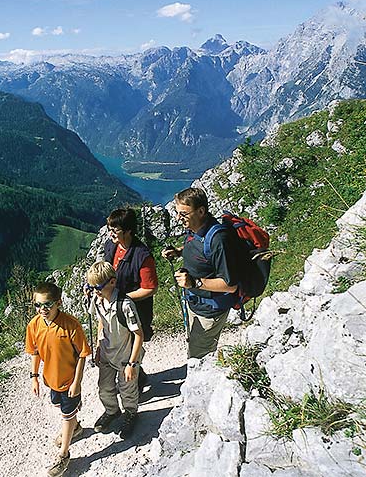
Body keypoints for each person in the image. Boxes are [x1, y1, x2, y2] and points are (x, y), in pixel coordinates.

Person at [161, 187, 249, 359]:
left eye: (184, 214)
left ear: (201, 211)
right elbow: (200, 250)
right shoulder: (196, 228)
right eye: (177, 213)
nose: (179, 218)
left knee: (198, 357)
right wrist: (179, 252)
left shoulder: (218, 240)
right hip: (195, 303)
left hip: (210, 310)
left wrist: (194, 283)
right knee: (195, 346)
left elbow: (230, 285)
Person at [25, 282, 91, 477]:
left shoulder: (71, 325)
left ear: (58, 303)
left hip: (69, 380)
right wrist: (34, 377)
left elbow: (82, 354)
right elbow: (35, 351)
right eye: (37, 305)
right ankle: (76, 428)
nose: (42, 310)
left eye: (47, 305)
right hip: (50, 379)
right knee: (61, 409)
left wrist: (77, 382)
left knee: (66, 414)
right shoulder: (34, 325)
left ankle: (64, 455)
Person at [86, 261, 144, 439]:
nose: (95, 290)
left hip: (126, 357)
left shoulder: (125, 305)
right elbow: (100, 323)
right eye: (91, 286)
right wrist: (97, 347)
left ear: (112, 282)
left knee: (127, 389)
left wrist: (132, 364)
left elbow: (139, 335)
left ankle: (130, 413)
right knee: (104, 387)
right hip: (106, 353)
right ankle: (112, 411)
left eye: (98, 286)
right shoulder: (97, 300)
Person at [103, 208, 158, 390]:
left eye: (115, 229)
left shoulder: (142, 255)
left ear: (128, 231)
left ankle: (134, 382)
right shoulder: (111, 246)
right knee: (120, 343)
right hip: (117, 307)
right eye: (110, 228)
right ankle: (135, 376)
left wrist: (122, 298)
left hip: (135, 309)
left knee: (132, 343)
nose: (111, 233)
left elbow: (150, 288)